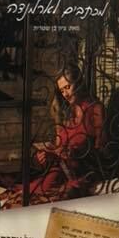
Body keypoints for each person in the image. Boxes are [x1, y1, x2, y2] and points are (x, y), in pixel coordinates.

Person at [26, 65, 105, 203]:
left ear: (78, 83)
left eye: (68, 87)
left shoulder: (95, 109)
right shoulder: (68, 112)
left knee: (41, 198)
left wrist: (72, 155)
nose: (65, 94)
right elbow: (59, 147)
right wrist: (48, 155)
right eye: (62, 90)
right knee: (26, 194)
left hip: (82, 174)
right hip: (61, 171)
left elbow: (102, 150)